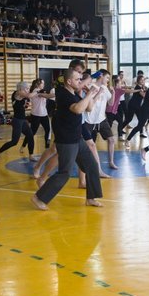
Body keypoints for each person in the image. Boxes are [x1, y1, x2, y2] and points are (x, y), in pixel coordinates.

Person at [31, 68, 103, 210]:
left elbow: (87, 108)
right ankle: (39, 197)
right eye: (77, 79)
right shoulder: (63, 94)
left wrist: (90, 94)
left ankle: (91, 198)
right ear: (69, 81)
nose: (80, 82)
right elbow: (77, 109)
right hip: (66, 140)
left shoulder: (74, 93)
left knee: (92, 166)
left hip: (77, 138)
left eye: (80, 79)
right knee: (64, 173)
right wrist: (88, 94)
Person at [0, 81, 38, 162]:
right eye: (26, 88)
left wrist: (26, 103)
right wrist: (37, 90)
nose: (28, 90)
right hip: (17, 121)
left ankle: (31, 155)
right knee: (14, 142)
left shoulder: (24, 95)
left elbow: (26, 102)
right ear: (21, 89)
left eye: (28, 88)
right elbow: (29, 95)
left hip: (23, 120)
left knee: (30, 136)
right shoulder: (17, 94)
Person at [83, 69, 118, 170]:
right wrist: (98, 93)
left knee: (111, 140)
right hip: (89, 120)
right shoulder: (90, 86)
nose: (108, 80)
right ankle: (90, 165)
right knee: (89, 145)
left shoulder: (105, 88)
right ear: (101, 76)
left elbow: (110, 103)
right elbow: (88, 105)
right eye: (107, 77)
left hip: (101, 120)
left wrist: (113, 92)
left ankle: (111, 162)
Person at [20, 79, 53, 151]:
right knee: (32, 132)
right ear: (38, 84)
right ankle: (23, 145)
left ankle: (47, 147)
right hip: (36, 115)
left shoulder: (41, 91)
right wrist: (58, 93)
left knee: (48, 130)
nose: (44, 85)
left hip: (44, 114)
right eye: (42, 83)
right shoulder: (36, 91)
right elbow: (48, 96)